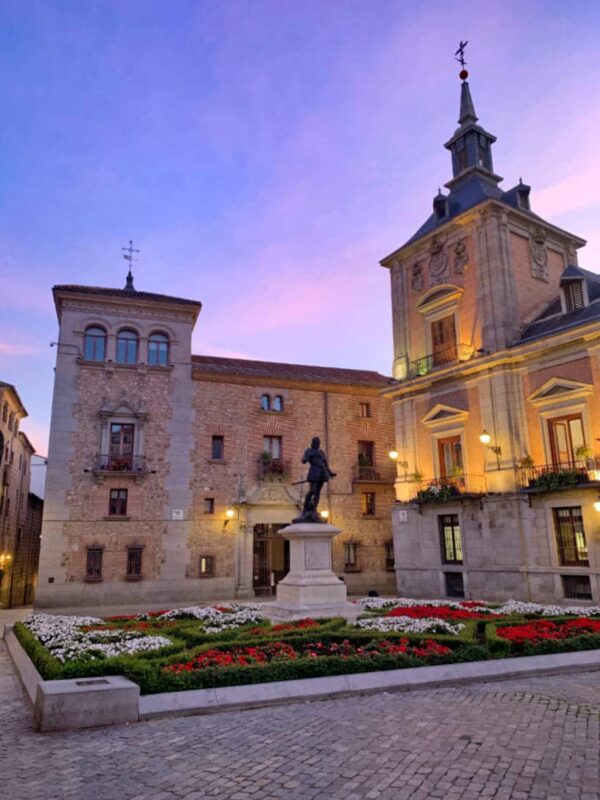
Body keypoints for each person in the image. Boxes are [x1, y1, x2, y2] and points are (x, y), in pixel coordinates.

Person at [293, 436, 336, 523]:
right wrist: (304, 459)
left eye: (318, 443)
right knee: (312, 490)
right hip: (314, 472)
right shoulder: (309, 451)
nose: (317, 444)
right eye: (316, 442)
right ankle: (305, 509)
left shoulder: (321, 452)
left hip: (322, 473)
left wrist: (330, 473)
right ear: (312, 443)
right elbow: (304, 459)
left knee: (317, 492)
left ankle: (314, 510)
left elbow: (325, 464)